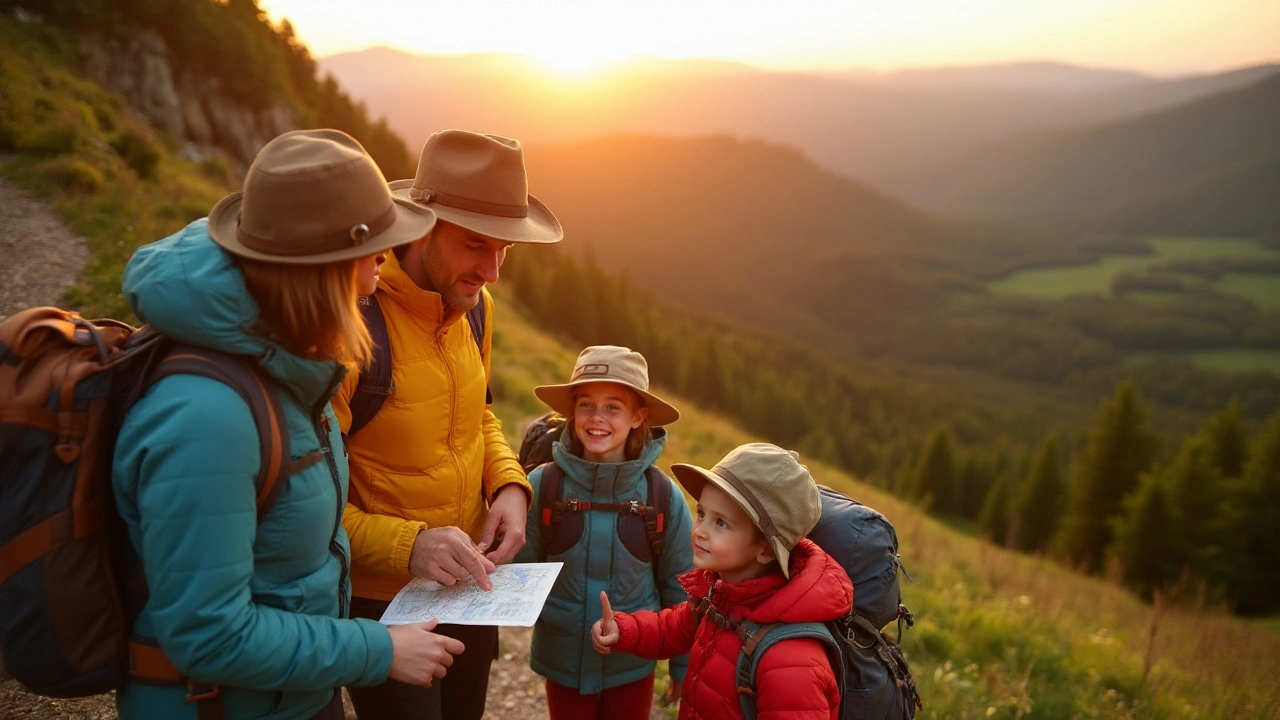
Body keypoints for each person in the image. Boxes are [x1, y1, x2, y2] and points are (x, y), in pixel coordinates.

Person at [111, 129, 464, 720]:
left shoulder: (292, 364)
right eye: (373, 244)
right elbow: (207, 636)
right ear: (321, 267)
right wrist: (378, 649)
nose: (387, 255)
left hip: (289, 695)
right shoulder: (206, 419)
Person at [334, 129, 564, 720]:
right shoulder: (349, 328)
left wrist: (510, 487)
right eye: (473, 246)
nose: (490, 271)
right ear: (419, 225)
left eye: (504, 250)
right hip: (378, 603)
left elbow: (477, 414)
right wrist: (410, 546)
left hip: (471, 587)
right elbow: (298, 507)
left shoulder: (474, 307)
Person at [591, 443, 853, 720]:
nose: (700, 531)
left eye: (721, 523)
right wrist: (623, 629)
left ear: (765, 549)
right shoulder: (719, 596)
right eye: (702, 513)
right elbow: (674, 629)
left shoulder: (791, 661)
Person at [514, 345, 694, 719]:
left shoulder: (662, 496)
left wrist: (682, 667)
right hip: (562, 663)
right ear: (570, 412)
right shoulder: (541, 486)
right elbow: (518, 573)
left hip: (633, 665)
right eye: (586, 405)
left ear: (637, 417)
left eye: (613, 406)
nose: (597, 418)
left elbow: (681, 587)